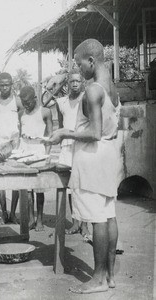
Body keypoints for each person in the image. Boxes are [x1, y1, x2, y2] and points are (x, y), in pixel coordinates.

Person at [46, 39, 119, 294]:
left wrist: (65, 133)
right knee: (108, 216)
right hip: (109, 156)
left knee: (97, 219)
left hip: (92, 158)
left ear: (90, 62)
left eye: (79, 64)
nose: (77, 68)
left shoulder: (92, 91)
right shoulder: (110, 87)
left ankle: (97, 278)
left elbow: (95, 132)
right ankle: (109, 275)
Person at [56, 69, 91, 239]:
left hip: (82, 146)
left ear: (82, 82)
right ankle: (75, 222)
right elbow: (61, 126)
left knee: (83, 187)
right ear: (67, 84)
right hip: (66, 148)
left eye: (78, 81)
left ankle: (85, 225)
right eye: (72, 81)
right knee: (70, 188)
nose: (75, 84)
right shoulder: (61, 102)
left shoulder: (87, 98)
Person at [15, 86, 53, 231]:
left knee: (39, 189)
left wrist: (47, 154)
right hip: (25, 151)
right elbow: (20, 135)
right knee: (27, 190)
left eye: (28, 102)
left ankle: (40, 220)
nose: (26, 105)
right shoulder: (21, 114)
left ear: (35, 99)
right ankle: (31, 218)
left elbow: (50, 135)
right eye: (23, 103)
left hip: (39, 151)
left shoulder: (45, 112)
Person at [0, 72, 23, 224]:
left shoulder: (18, 101)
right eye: (1, 85)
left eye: (7, 84)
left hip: (14, 144)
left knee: (16, 179)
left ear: (11, 84)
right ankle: (4, 212)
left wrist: (20, 142)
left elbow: (22, 124)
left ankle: (13, 213)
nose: (4, 87)